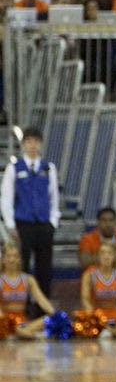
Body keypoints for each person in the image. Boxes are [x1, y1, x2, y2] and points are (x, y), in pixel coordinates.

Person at [0, 127, 59, 314]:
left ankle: (43, 313)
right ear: (23, 144)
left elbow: (53, 197)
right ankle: (22, 310)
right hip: (23, 223)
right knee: (21, 267)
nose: (32, 145)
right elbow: (7, 197)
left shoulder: (48, 167)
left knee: (44, 270)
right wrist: (10, 224)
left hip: (43, 224)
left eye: (36, 141)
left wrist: (53, 222)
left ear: (40, 144)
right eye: (28, 141)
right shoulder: (14, 168)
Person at [0, 244, 53, 339]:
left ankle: (23, 333)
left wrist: (55, 314)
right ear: (3, 259)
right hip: (4, 321)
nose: (12, 260)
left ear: (20, 259)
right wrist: (4, 322)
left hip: (22, 322)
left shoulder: (28, 279)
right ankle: (29, 335)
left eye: (15, 256)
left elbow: (41, 300)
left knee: (50, 319)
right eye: (8, 256)